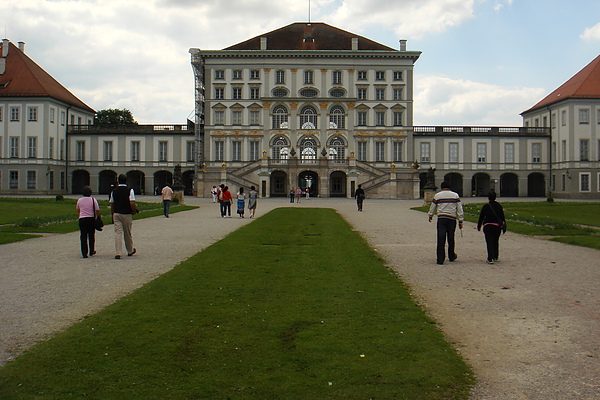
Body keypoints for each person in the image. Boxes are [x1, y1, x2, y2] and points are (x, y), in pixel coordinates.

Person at [428, 181, 464, 265]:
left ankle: (440, 259)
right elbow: (459, 208)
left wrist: (430, 215)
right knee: (451, 237)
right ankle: (451, 255)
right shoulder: (455, 195)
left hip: (441, 218)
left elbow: (433, 206)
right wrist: (460, 220)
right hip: (451, 218)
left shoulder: (437, 195)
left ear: (441, 187)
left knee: (441, 238)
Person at [110, 174, 137, 259]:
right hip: (126, 213)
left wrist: (112, 213)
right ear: (126, 181)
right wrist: (134, 211)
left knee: (118, 233)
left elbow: (112, 204)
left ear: (118, 181)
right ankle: (129, 250)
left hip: (117, 213)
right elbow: (132, 202)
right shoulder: (130, 190)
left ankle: (118, 252)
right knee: (127, 233)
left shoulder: (114, 191)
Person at [477, 191, 507, 264]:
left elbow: (481, 217)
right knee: (495, 241)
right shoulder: (499, 206)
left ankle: (490, 258)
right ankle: (495, 256)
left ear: (488, 198)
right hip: (497, 226)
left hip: (488, 225)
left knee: (489, 242)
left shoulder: (486, 206)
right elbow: (502, 217)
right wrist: (504, 227)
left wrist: (479, 226)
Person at [76, 186, 102, 258]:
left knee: (83, 236)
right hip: (91, 219)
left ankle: (84, 252)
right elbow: (97, 210)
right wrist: (99, 218)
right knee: (91, 235)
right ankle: (91, 250)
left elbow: (78, 210)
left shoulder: (79, 200)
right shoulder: (93, 200)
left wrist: (80, 216)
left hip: (82, 219)